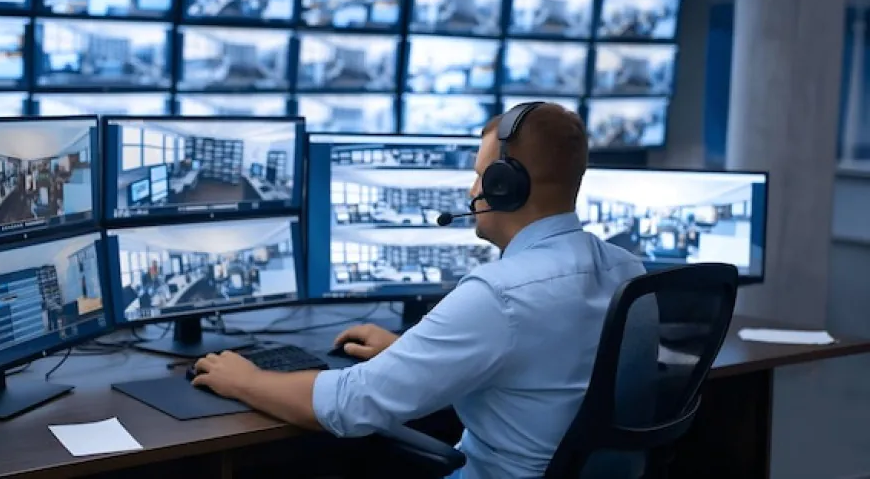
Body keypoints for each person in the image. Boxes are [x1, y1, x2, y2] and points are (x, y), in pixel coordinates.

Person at [190, 103, 650, 478]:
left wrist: (245, 380)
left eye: (479, 175)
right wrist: (411, 352)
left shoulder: (499, 295)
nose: (472, 188)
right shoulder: (630, 273)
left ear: (504, 186)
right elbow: (542, 377)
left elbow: (348, 407)